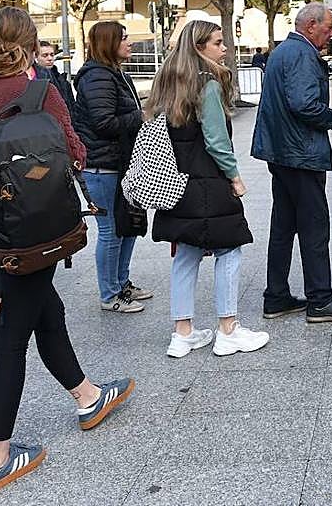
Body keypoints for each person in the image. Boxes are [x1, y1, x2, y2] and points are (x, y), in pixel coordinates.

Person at [0, 7, 133, 496]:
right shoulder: (40, 92)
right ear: (30, 44)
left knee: (47, 309)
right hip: (30, 233)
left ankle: (87, 396)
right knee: (11, 338)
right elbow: (75, 154)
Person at [147, 20, 268, 357]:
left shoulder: (167, 83)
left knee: (186, 253)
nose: (224, 47)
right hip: (208, 182)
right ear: (199, 47)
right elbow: (216, 140)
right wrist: (235, 177)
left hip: (175, 182)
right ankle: (228, 330)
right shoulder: (207, 85)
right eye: (217, 42)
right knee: (229, 249)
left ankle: (182, 333)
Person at [252, 2, 332, 323]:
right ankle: (321, 300)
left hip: (281, 153)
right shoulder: (302, 54)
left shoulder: (283, 51)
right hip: (301, 154)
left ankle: (276, 296)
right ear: (311, 25)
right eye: (329, 27)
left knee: (283, 227)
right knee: (314, 228)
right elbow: (304, 104)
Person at [72, 22, 151, 313]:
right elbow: (103, 123)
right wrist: (140, 116)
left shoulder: (115, 73)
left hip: (119, 163)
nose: (130, 43)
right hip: (101, 166)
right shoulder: (98, 77)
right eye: (124, 38)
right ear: (108, 43)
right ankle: (110, 295)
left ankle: (121, 283)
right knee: (111, 230)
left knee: (127, 226)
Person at [35, 41, 75, 112]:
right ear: (36, 57)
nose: (50, 58)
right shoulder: (34, 80)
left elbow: (71, 106)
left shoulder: (62, 80)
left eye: (52, 55)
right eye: (45, 55)